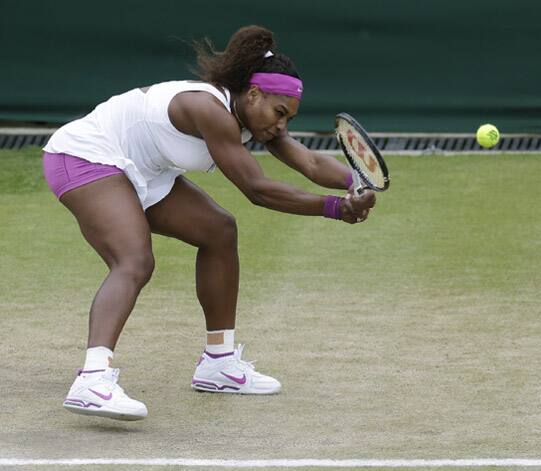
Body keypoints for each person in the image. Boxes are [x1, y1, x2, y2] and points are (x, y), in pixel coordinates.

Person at [42, 25, 376, 421]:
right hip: (85, 157)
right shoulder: (207, 109)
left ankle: (218, 363)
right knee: (134, 259)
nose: (282, 125)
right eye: (279, 113)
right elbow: (258, 189)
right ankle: (91, 380)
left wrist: (356, 181)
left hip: (142, 170)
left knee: (219, 230)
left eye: (288, 117)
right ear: (253, 94)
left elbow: (310, 161)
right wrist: (336, 208)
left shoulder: (254, 118)